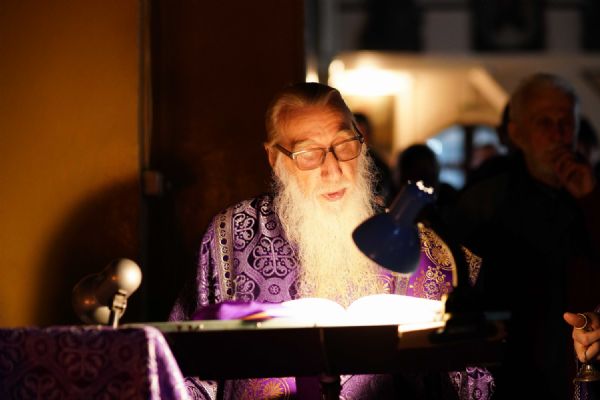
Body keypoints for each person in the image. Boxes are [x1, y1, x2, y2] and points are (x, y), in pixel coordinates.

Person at [169, 82, 494, 399]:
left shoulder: (416, 242)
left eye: (345, 145)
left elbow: (470, 375)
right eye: (309, 154)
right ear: (274, 159)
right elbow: (189, 366)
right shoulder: (231, 235)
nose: (333, 170)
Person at [446, 73, 600, 399]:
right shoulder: (486, 200)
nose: (559, 135)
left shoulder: (591, 189)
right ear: (518, 134)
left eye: (566, 123)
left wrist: (590, 200)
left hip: (581, 364)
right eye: (545, 123)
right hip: (510, 367)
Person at [393, 143, 458, 216]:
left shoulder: (448, 198)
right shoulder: (393, 203)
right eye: (418, 175)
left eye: (429, 176)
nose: (423, 184)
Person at [353, 112, 396, 207]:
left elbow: (386, 195)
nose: (360, 141)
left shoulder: (380, 165)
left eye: (362, 135)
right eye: (355, 136)